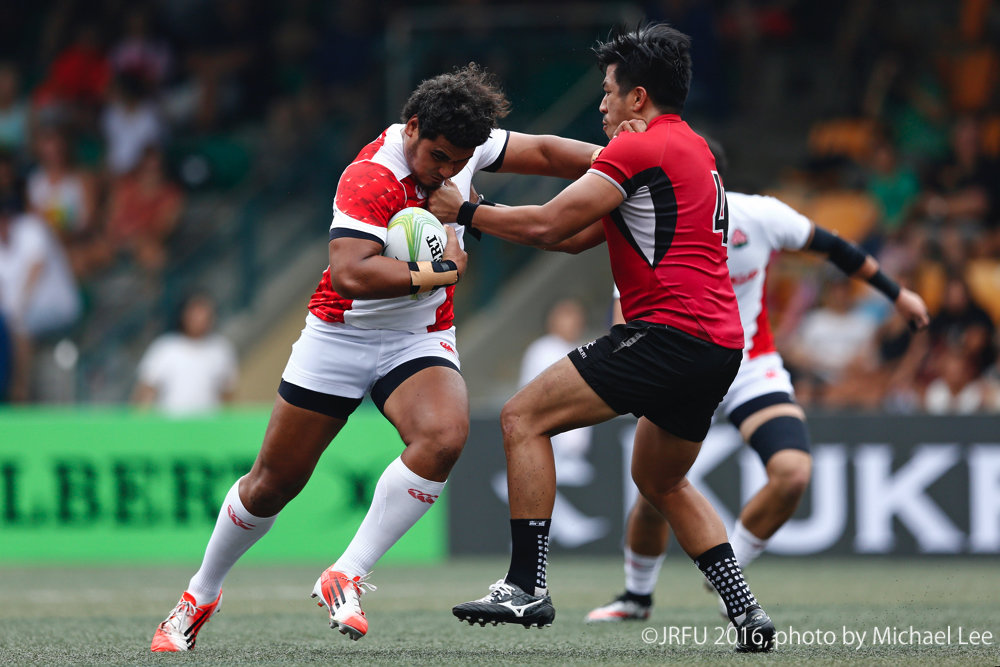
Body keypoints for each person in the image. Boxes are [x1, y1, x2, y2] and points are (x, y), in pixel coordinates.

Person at [150, 63, 599, 652]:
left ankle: (348, 572)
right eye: (438, 157)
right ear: (412, 127)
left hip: (417, 338)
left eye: (458, 161)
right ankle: (199, 594)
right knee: (271, 485)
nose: (447, 170)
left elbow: (544, 151)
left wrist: (623, 161)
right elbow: (351, 272)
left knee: (444, 436)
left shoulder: (462, 146)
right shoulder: (370, 175)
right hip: (339, 335)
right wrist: (438, 270)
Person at [431, 24, 774, 652]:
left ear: (638, 97)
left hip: (669, 334)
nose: (602, 104)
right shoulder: (694, 149)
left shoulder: (635, 149)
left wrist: (467, 212)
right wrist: (486, 215)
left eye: (608, 92)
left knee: (521, 418)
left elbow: (551, 222)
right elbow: (570, 236)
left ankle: (524, 585)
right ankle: (747, 611)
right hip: (720, 345)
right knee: (661, 481)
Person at [584, 141, 930, 623]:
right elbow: (624, 307)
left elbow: (833, 246)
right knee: (655, 491)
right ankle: (636, 598)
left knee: (793, 473)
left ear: (714, 184)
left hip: (749, 366)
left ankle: (729, 572)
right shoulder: (654, 225)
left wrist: (898, 294)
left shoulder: (761, 215)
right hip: (679, 366)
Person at [133, 292, 238, 416]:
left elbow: (227, 393)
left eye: (204, 313)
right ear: (184, 315)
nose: (200, 319)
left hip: (208, 427)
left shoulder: (221, 349)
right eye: (195, 313)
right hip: (171, 425)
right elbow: (146, 389)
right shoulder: (165, 348)